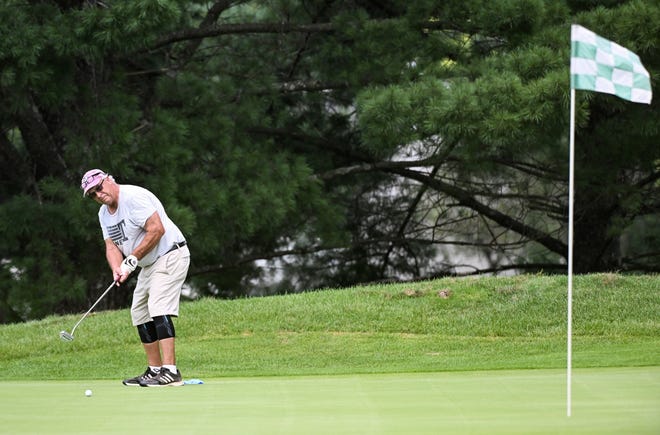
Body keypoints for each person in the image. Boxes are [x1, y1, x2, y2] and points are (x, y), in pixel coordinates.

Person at [81, 169, 190, 387]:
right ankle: (155, 369)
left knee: (157, 306)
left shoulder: (133, 197)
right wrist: (117, 268)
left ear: (109, 180)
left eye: (99, 188)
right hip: (149, 263)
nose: (98, 195)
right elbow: (111, 246)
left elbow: (156, 230)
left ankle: (171, 372)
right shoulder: (103, 214)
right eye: (93, 194)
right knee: (139, 312)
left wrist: (132, 258)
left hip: (170, 253)